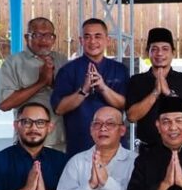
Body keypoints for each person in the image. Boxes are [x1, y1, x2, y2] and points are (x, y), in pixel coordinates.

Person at [51, 17, 129, 155]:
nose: (92, 41)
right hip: (80, 145)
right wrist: (83, 90)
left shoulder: (119, 69)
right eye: (87, 37)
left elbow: (126, 105)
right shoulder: (68, 70)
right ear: (81, 41)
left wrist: (103, 88)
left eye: (98, 36)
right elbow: (59, 108)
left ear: (107, 40)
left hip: (115, 146)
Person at [0, 16, 68, 152]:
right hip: (27, 141)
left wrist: (52, 82)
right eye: (37, 35)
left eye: (49, 36)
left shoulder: (61, 60)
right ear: (26, 37)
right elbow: (5, 104)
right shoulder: (13, 63)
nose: (44, 40)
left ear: (54, 39)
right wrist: (41, 82)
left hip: (59, 139)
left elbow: (70, 97)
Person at [125, 27, 182, 152]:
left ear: (173, 53)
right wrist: (155, 93)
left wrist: (169, 93)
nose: (159, 53)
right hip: (147, 150)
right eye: (154, 49)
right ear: (148, 52)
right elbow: (131, 116)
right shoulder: (137, 80)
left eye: (165, 49)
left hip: (180, 150)